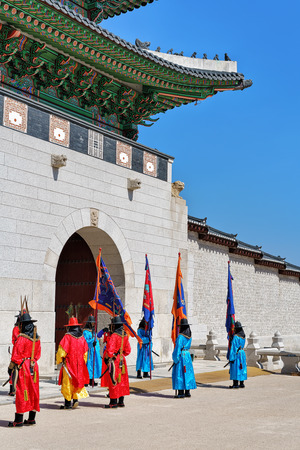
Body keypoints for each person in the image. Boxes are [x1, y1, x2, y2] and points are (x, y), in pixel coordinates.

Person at [7, 310, 41, 427]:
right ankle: (31, 418)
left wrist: (10, 368)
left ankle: (19, 420)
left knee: (22, 392)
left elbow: (15, 356)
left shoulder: (21, 338)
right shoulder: (37, 339)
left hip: (23, 367)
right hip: (34, 367)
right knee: (34, 391)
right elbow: (38, 355)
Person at [56, 316, 89, 409]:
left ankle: (67, 403)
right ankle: (75, 400)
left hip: (69, 364)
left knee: (68, 382)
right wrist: (83, 362)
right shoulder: (82, 338)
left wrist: (59, 359)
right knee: (77, 381)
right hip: (79, 364)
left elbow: (62, 351)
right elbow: (85, 352)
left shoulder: (67, 337)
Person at [105, 315, 131, 408]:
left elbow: (110, 350)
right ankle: (121, 401)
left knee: (113, 380)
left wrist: (108, 358)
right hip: (122, 360)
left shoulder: (114, 336)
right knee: (122, 380)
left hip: (114, 361)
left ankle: (113, 402)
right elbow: (128, 351)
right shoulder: (125, 335)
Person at [172, 318, 197, 398]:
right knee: (187, 373)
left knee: (180, 373)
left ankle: (180, 392)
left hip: (181, 355)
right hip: (187, 355)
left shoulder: (180, 337)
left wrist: (175, 358)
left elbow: (178, 348)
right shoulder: (190, 337)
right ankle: (187, 391)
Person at [83, 315, 102, 386]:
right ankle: (86, 380)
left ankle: (92, 380)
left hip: (94, 351)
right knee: (88, 365)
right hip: (89, 351)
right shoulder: (86, 332)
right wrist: (91, 343)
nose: (93, 324)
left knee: (94, 365)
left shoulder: (93, 331)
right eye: (92, 322)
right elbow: (85, 341)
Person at [228, 321, 247, 389]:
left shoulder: (236, 337)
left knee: (235, 367)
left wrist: (231, 358)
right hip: (242, 353)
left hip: (237, 354)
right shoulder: (243, 336)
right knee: (241, 368)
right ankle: (242, 383)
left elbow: (233, 348)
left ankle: (235, 384)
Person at [8, 312, 21, 396]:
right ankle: (12, 389)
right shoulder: (16, 328)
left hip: (22, 354)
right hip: (16, 352)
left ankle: (16, 390)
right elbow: (16, 338)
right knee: (11, 370)